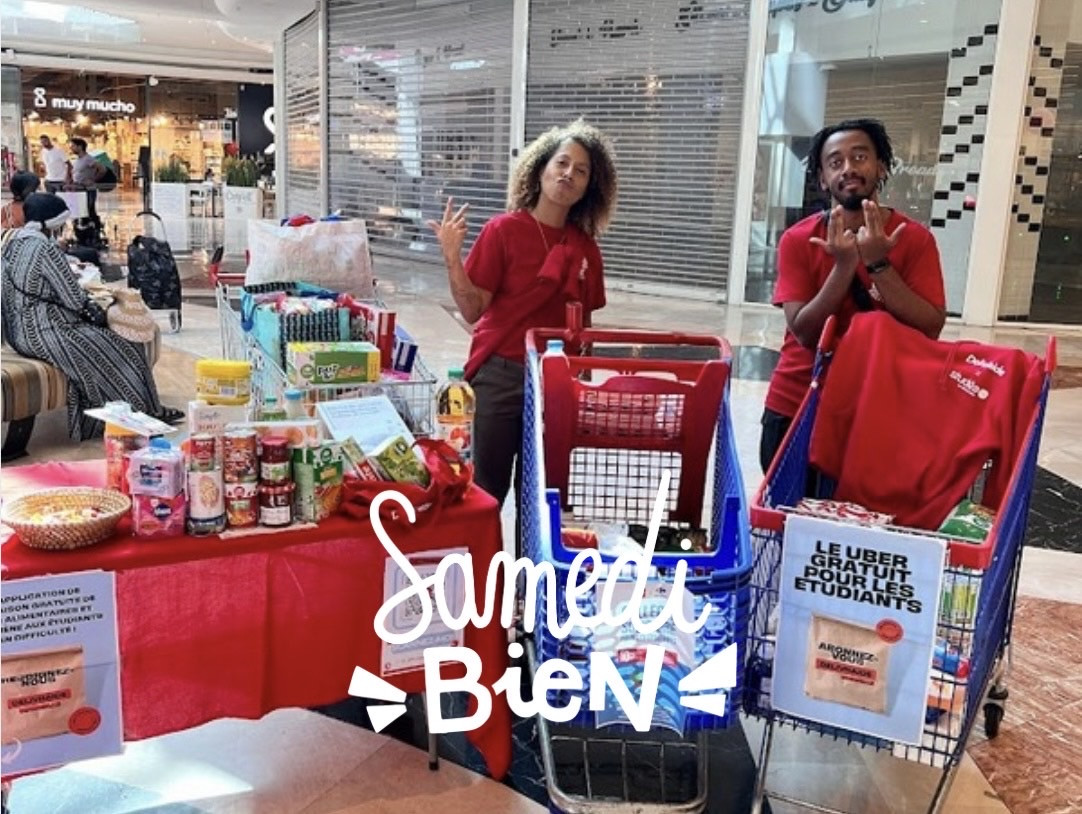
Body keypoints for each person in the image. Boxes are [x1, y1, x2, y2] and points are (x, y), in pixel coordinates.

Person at [427, 119, 618, 513]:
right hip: (501, 374)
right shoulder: (503, 231)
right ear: (541, 167)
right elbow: (472, 308)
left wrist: (581, 383)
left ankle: (528, 576)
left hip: (556, 380)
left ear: (588, 188)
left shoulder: (587, 249)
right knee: (486, 491)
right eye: (562, 163)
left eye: (581, 171)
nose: (569, 174)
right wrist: (451, 257)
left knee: (541, 495)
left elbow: (586, 327)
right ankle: (484, 571)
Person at [760, 118, 946, 473]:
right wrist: (844, 266)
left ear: (881, 167)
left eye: (860, 157)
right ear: (822, 178)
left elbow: (929, 327)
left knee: (862, 520)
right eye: (835, 162)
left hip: (880, 406)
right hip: (800, 401)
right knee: (786, 519)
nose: (848, 169)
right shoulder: (799, 240)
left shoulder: (915, 239)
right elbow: (804, 332)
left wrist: (878, 264)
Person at [1, 193, 183, 441]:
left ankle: (114, 415)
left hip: (19, 334)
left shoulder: (12, 243)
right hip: (49, 332)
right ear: (53, 223)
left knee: (100, 351)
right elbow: (73, 298)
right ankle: (143, 412)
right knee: (124, 346)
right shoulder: (45, 249)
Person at [69, 137, 105, 239]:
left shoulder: (88, 159)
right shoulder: (78, 160)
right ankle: (83, 232)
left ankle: (95, 230)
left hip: (88, 190)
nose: (71, 148)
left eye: (73, 146)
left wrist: (93, 180)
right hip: (79, 189)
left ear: (80, 147)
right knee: (81, 210)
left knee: (89, 210)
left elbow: (102, 169)